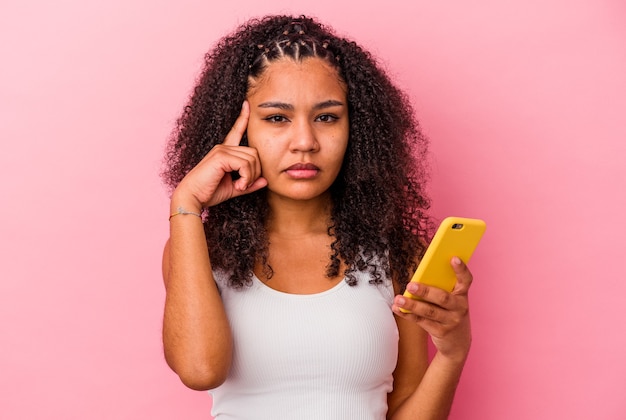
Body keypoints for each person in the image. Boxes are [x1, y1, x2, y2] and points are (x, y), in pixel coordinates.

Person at [161, 14, 473, 419]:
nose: (305, 142)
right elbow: (200, 370)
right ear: (239, 129)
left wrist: (452, 354)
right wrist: (185, 205)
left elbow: (406, 405)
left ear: (355, 128)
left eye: (326, 117)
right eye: (277, 118)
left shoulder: (396, 253)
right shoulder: (201, 250)